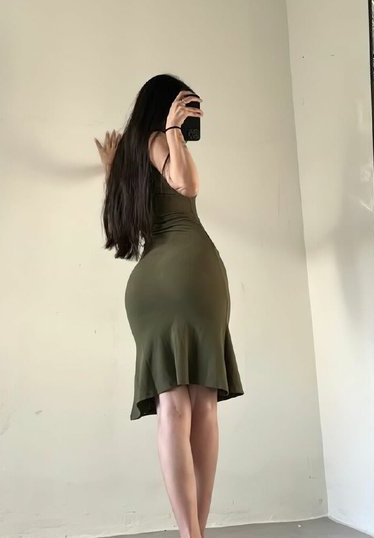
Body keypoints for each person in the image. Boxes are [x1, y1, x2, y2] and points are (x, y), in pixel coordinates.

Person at [94, 73, 244, 538]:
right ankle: (197, 532)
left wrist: (111, 170)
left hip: (147, 287)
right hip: (192, 272)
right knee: (203, 407)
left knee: (172, 406)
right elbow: (188, 185)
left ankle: (188, 533)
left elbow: (123, 227)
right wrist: (175, 130)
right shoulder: (161, 140)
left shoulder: (128, 160)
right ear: (165, 107)